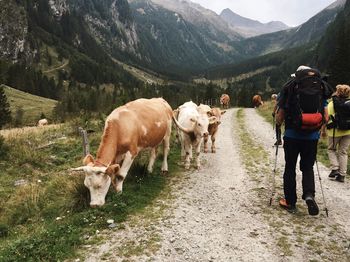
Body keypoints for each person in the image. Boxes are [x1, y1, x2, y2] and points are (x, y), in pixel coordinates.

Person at [276, 65, 332, 216]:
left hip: (292, 136)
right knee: (307, 167)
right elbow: (326, 118)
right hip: (311, 137)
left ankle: (290, 201)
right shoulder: (319, 90)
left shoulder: (289, 89)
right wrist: (315, 125)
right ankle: (309, 195)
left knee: (290, 167)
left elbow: (280, 116)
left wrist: (278, 123)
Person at [326, 84, 350, 183]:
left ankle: (335, 168)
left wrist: (322, 130)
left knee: (331, 149)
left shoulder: (331, 104)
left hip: (334, 131)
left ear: (338, 92)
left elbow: (326, 118)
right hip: (348, 131)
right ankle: (342, 175)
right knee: (343, 152)